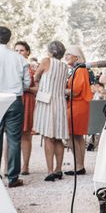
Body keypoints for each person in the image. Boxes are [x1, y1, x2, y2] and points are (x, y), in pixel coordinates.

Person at [34, 41, 69, 181]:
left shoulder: (46, 61)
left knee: (48, 137)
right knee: (58, 137)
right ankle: (59, 169)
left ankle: (50, 171)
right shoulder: (64, 66)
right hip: (60, 102)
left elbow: (36, 76)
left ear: (50, 51)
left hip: (47, 101)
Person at [0, 27, 30, 188]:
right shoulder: (18, 58)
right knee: (13, 139)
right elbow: (26, 84)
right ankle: (12, 177)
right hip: (13, 100)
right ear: (9, 39)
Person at [64, 45, 93, 175]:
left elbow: (75, 91)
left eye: (68, 54)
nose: (66, 56)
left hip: (77, 105)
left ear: (76, 56)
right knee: (78, 136)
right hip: (79, 105)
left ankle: (79, 165)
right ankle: (80, 166)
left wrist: (61, 90)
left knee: (72, 135)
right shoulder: (79, 69)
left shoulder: (80, 70)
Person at [13, 41, 37, 176]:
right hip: (13, 98)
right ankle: (7, 167)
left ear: (28, 52)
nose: (19, 53)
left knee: (26, 134)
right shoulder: (10, 67)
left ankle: (25, 166)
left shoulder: (32, 69)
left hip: (27, 100)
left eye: (21, 50)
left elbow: (38, 89)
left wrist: (26, 88)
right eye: (16, 50)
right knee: (10, 135)